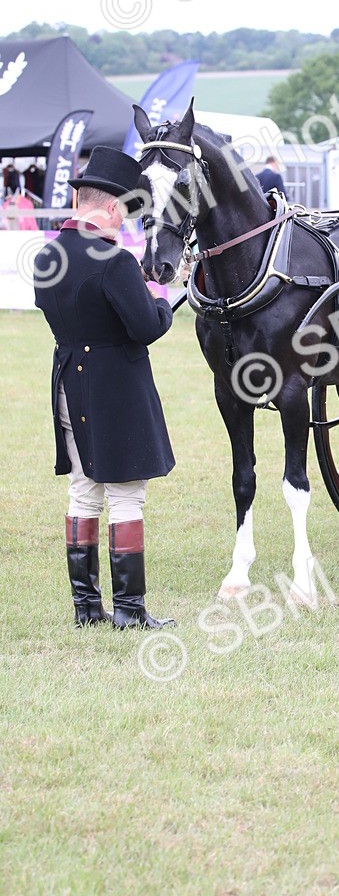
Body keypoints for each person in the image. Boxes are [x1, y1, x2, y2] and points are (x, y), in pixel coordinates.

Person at [33, 147, 176, 630]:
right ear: (112, 208)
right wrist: (159, 296)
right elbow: (147, 327)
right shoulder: (114, 261)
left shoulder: (47, 253)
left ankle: (87, 607)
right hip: (114, 384)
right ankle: (131, 612)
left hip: (68, 380)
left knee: (82, 490)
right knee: (126, 495)